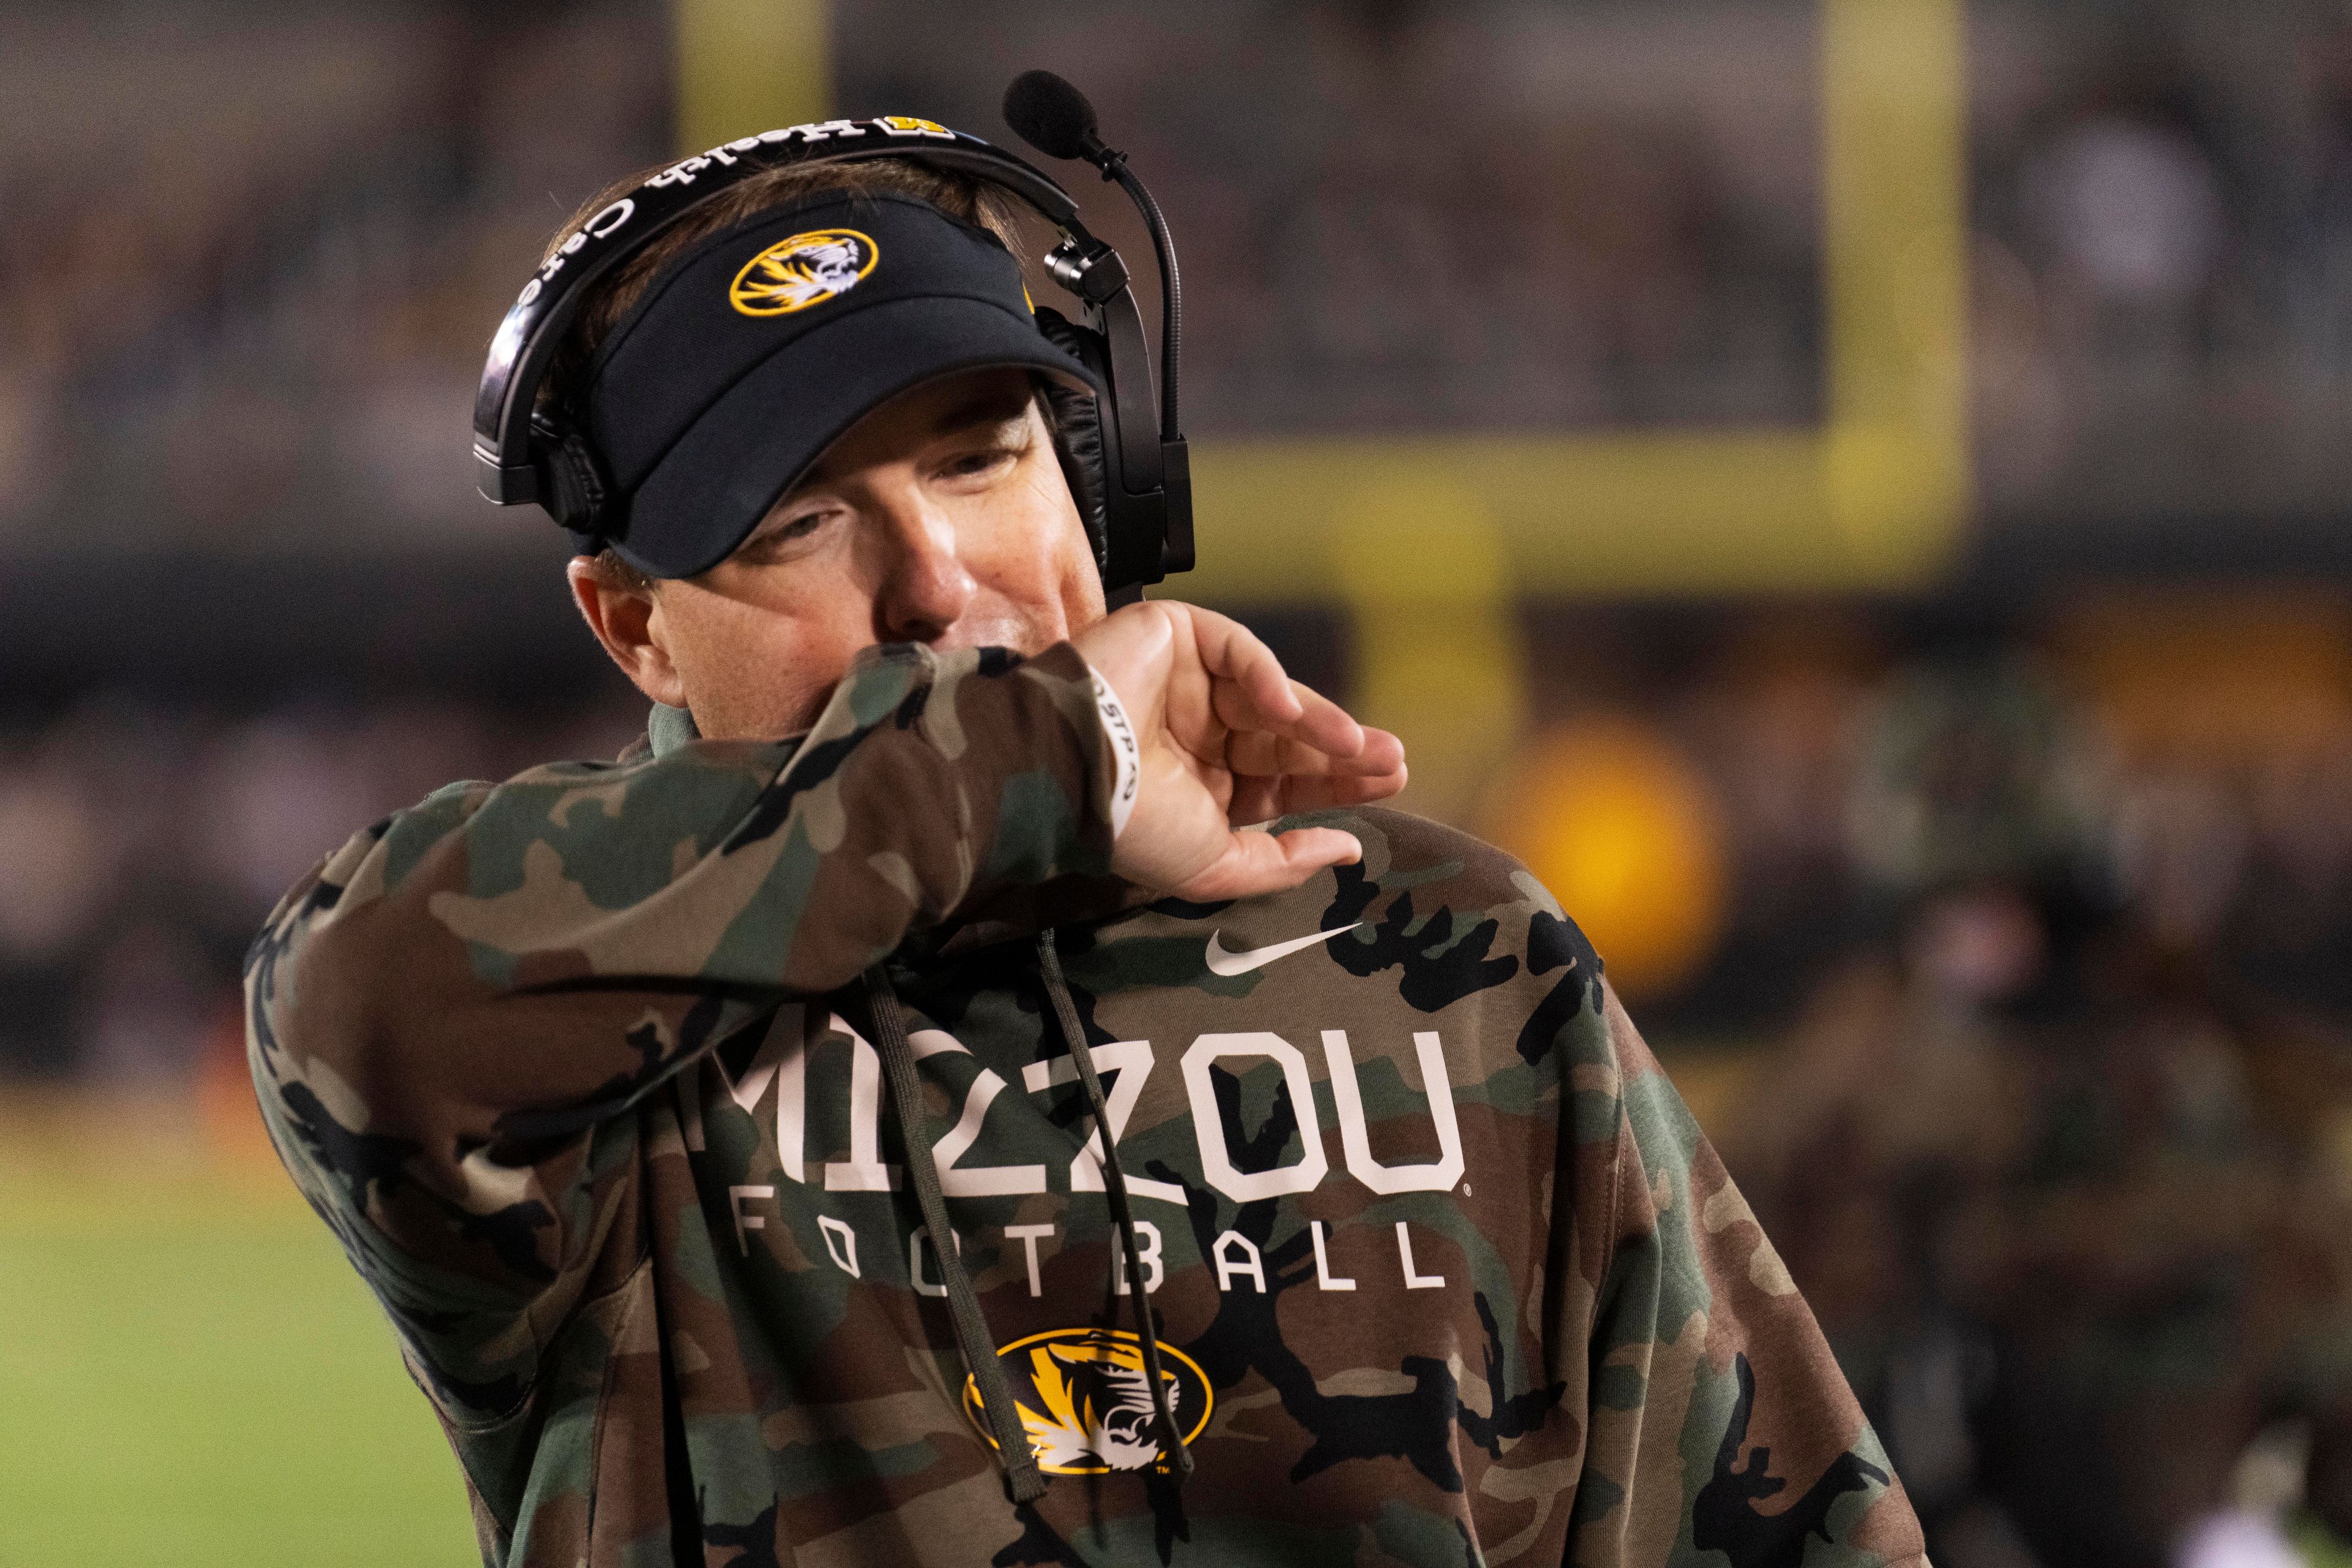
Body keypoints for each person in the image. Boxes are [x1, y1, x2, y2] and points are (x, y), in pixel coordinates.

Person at [246, 133, 1924, 1567]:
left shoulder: (1449, 948)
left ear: (1098, 477)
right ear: (633, 630)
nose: (936, 583)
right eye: (799, 525)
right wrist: (1045, 755)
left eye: (982, 462)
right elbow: (355, 1000)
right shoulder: (589, 1068)